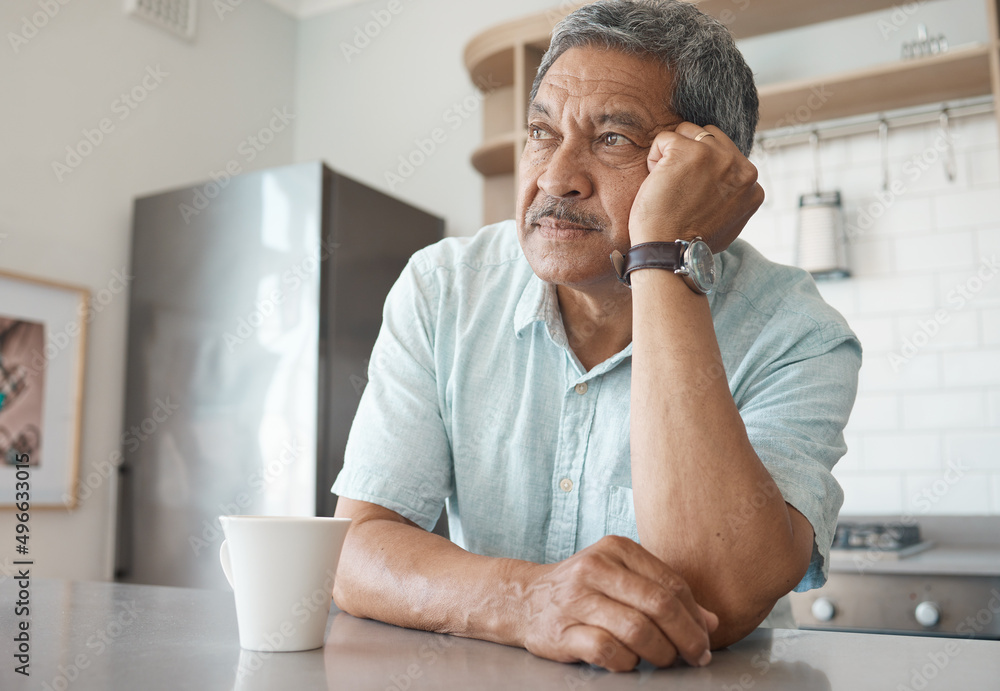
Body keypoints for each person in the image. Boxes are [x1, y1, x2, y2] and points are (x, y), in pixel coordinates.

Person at [332, 0, 861, 672]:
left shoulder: (798, 331)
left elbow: (720, 597)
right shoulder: (443, 288)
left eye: (614, 139)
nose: (555, 178)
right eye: (541, 131)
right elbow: (357, 550)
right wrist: (526, 599)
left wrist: (664, 255)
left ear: (703, 170)